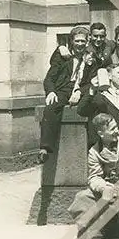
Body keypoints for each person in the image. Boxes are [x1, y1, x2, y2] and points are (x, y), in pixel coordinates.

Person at [38, 25, 96, 164]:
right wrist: (51, 91)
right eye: (77, 41)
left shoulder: (91, 58)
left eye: (83, 41)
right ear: (71, 41)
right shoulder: (63, 56)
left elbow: (92, 82)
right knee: (51, 107)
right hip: (64, 89)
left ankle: (91, 150)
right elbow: (49, 77)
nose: (80, 44)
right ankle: (45, 148)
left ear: (87, 42)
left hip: (81, 90)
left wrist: (79, 92)